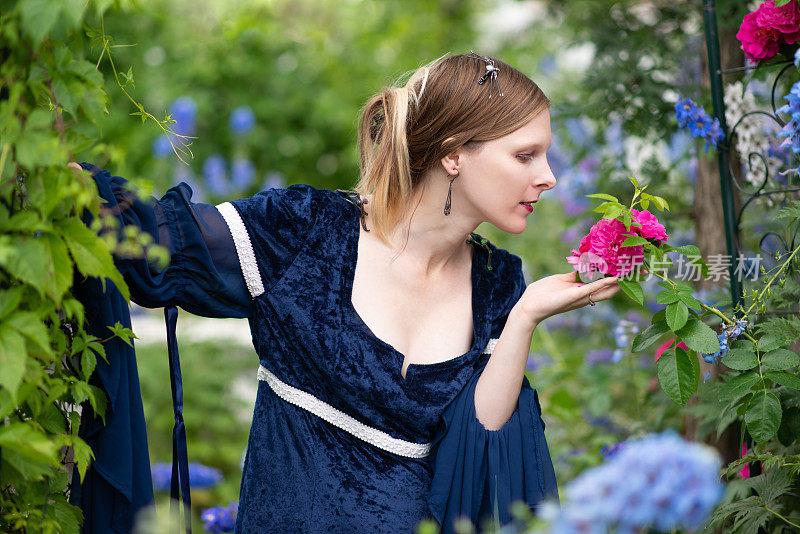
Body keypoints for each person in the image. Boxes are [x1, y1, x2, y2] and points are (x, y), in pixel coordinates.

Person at [70, 52, 620, 533]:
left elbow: (479, 455)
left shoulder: (499, 283)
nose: (550, 176)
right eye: (526, 156)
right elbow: (164, 242)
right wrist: (62, 184)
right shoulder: (306, 232)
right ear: (454, 156)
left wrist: (525, 318)